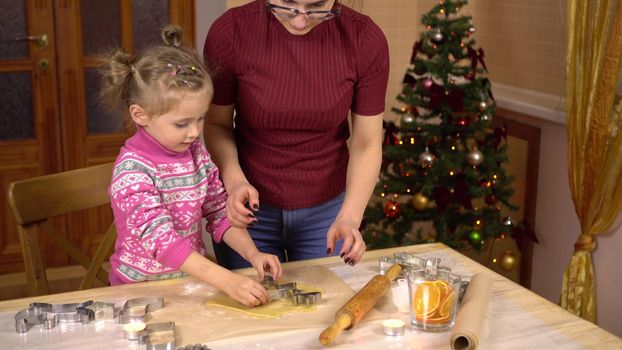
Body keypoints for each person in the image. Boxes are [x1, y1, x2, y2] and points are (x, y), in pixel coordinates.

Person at [101, 24, 282, 307]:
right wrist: (228, 280)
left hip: (188, 286)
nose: (195, 132)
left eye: (201, 118)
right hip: (138, 295)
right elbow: (164, 244)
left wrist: (252, 254)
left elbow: (219, 212)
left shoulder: (195, 153)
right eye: (182, 123)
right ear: (140, 114)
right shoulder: (132, 172)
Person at [203, 0, 389, 268]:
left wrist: (349, 217)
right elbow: (217, 125)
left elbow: (367, 144)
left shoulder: (364, 38)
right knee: (250, 305)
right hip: (248, 206)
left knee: (329, 305)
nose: (300, 20)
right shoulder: (230, 32)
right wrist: (234, 183)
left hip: (328, 210)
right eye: (287, 4)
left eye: (317, 7)